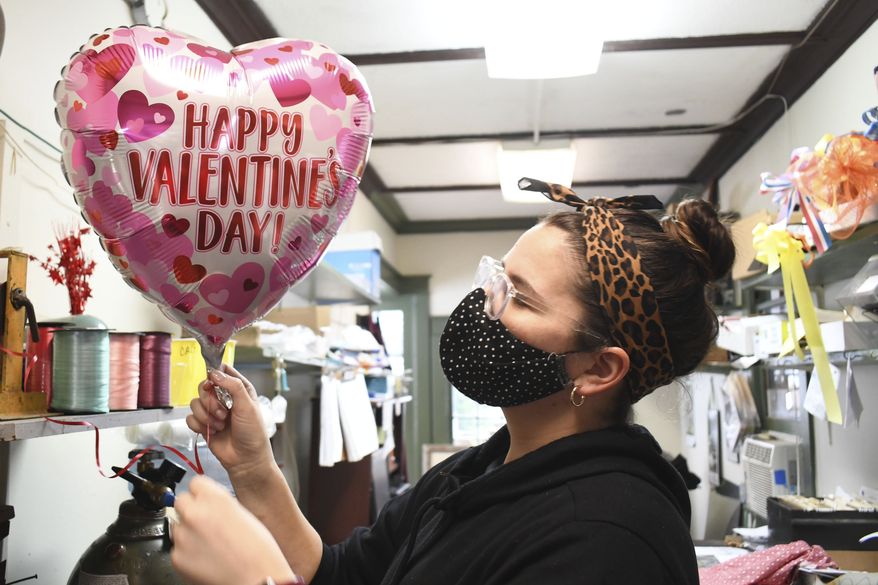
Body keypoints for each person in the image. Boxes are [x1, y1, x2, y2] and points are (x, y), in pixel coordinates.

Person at [171, 177, 735, 585]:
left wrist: (258, 579)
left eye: (520, 297)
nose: (487, 304)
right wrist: (254, 469)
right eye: (498, 277)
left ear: (597, 368)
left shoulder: (608, 537)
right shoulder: (475, 472)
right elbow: (341, 575)